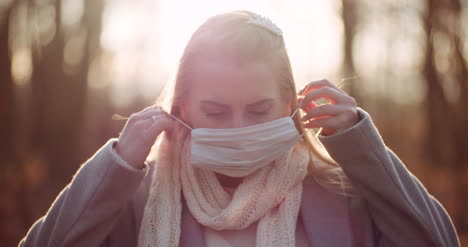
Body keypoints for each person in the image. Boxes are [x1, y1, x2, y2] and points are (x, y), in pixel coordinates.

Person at [19, 10, 459, 247]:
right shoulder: (136, 200)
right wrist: (113, 168)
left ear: (290, 103)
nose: (237, 128)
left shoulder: (341, 195)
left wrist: (365, 152)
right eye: (214, 110)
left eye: (258, 110)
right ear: (182, 107)